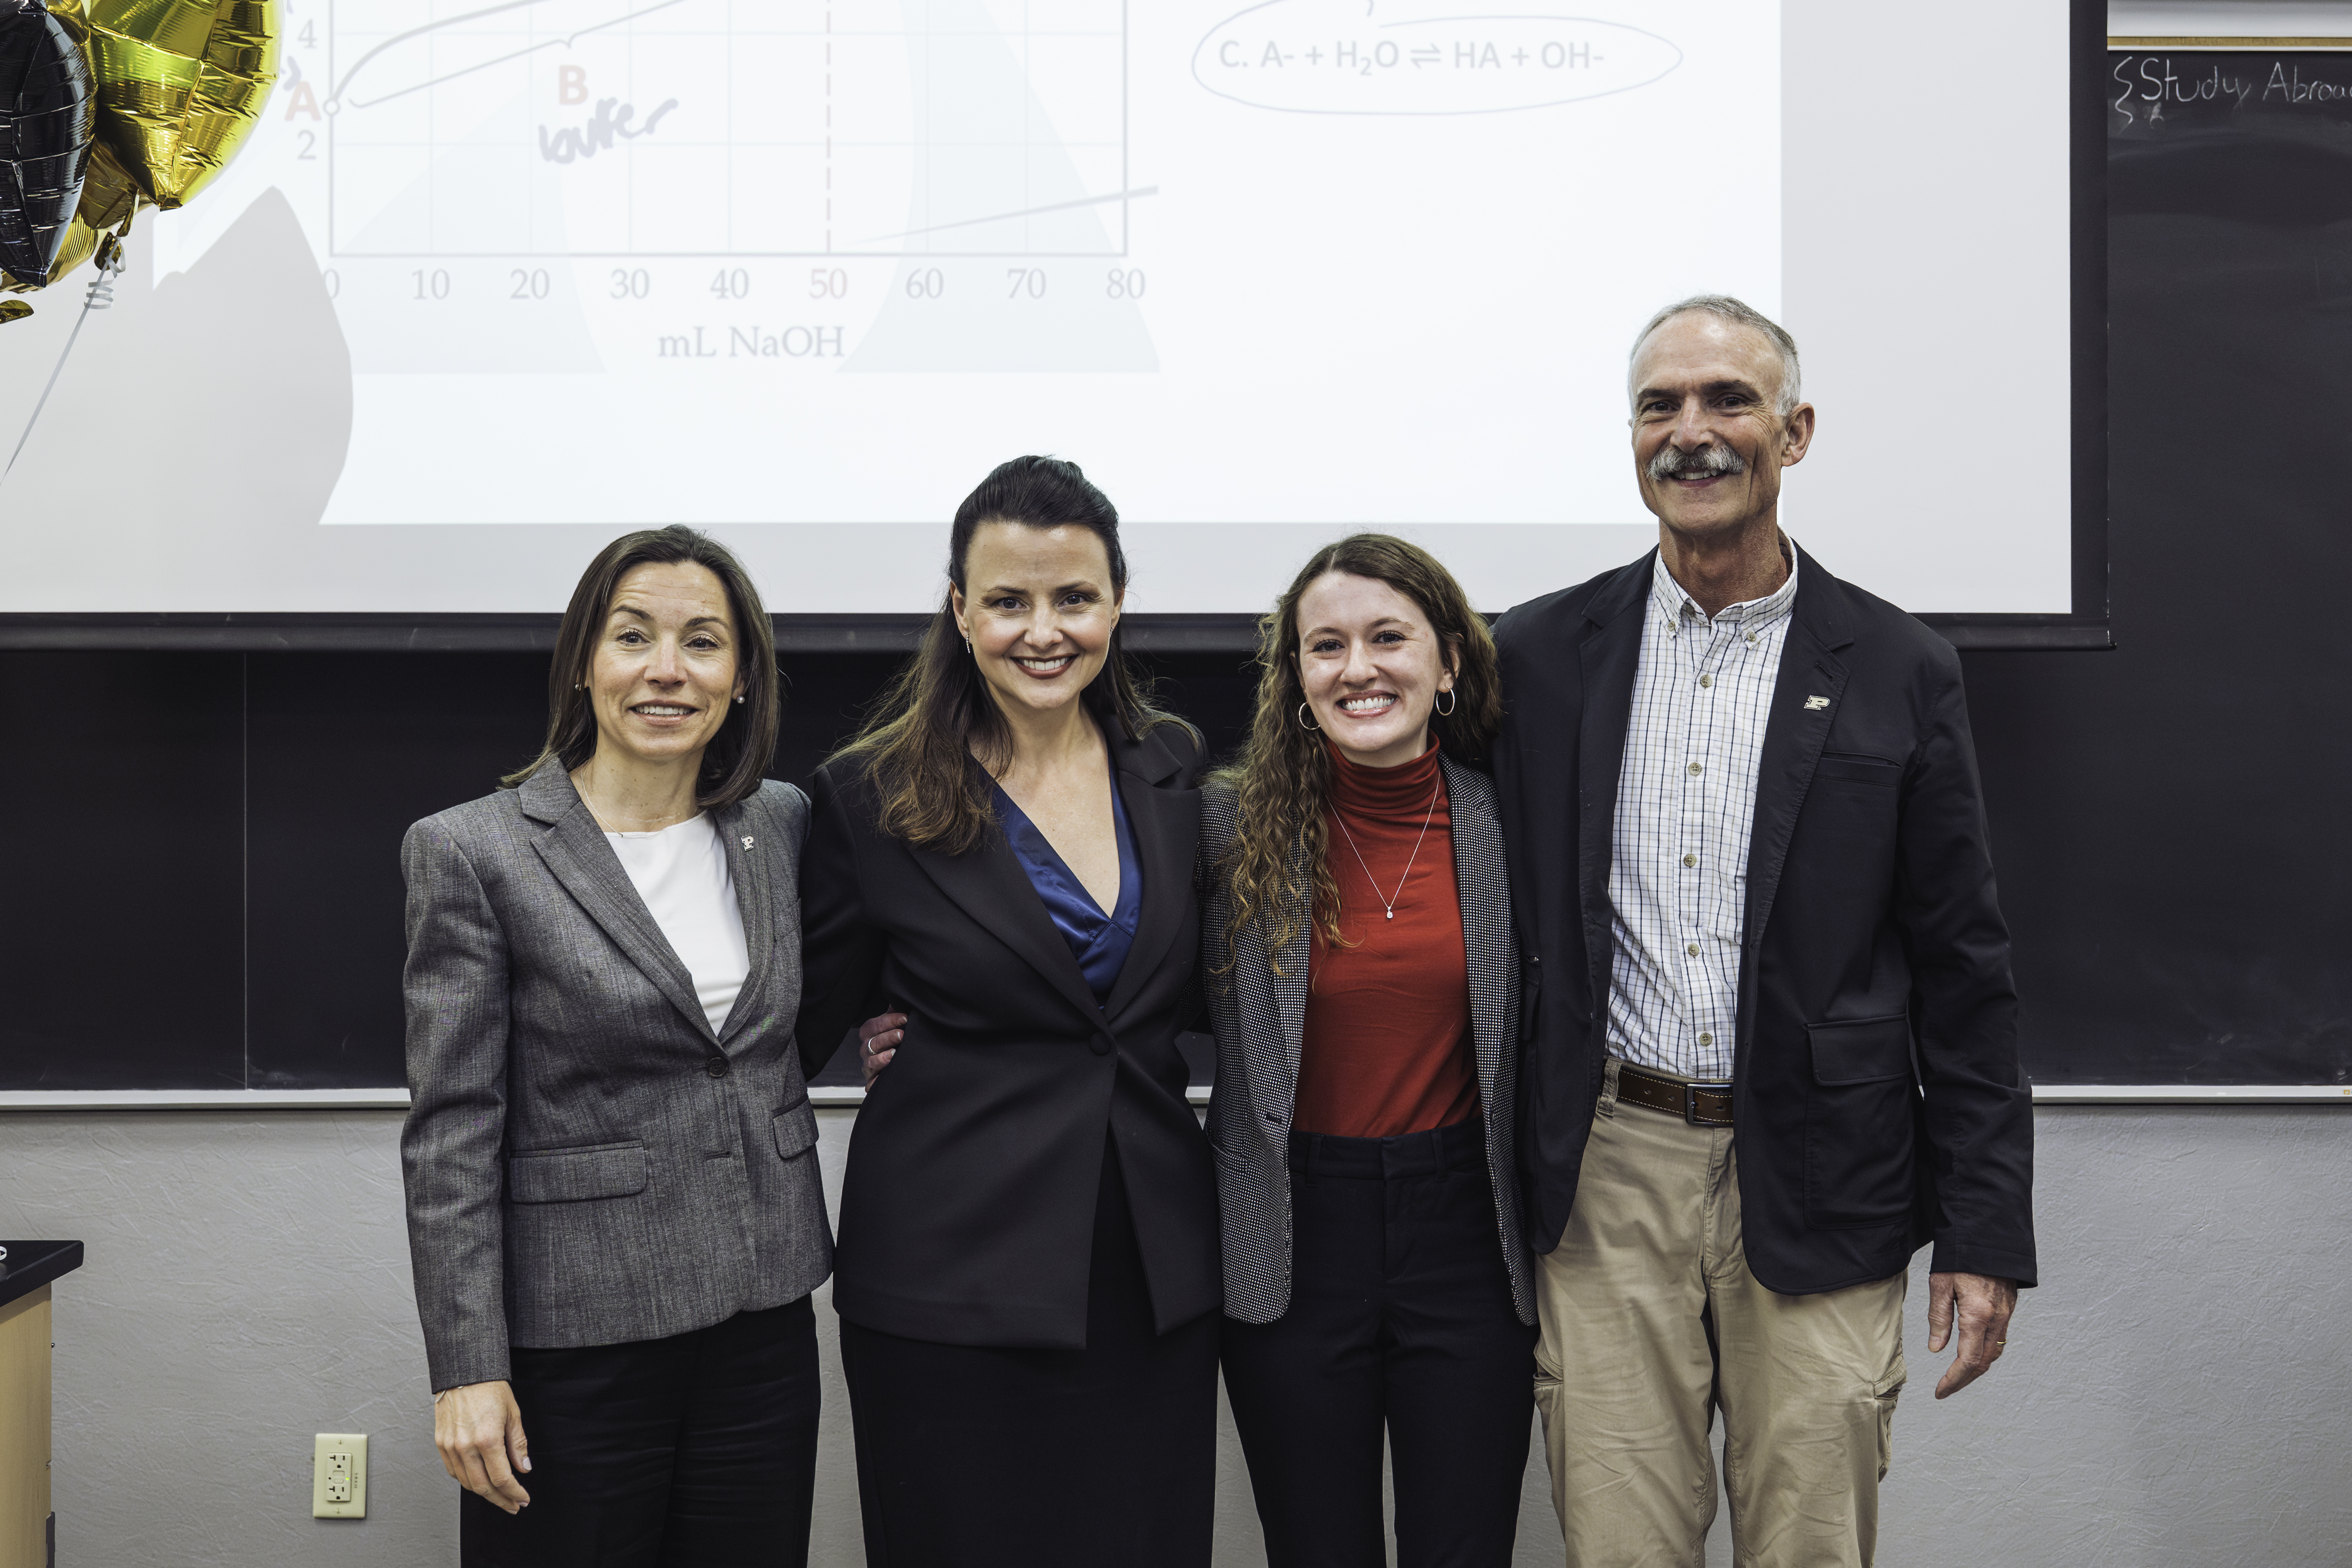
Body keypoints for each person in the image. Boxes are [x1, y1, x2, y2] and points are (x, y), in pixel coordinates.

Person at [1490, 295, 2038, 1567]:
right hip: (1604, 1173)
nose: (1690, 431)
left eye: (1727, 400)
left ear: (1793, 434)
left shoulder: (1898, 666)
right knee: (1621, 1545)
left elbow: (1964, 968)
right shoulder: (1541, 654)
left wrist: (1983, 1227)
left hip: (1826, 1169)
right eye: (1659, 405)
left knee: (1810, 1545)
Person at [797, 456, 1220, 1568]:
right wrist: (887, 1023)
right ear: (959, 611)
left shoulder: (1173, 767)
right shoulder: (868, 794)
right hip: (947, 1282)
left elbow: (1197, 992)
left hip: (1149, 1275)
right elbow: (795, 1027)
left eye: (1073, 598)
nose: (1044, 632)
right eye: (1008, 601)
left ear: (1116, 605)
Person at [400, 526, 832, 1566]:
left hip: (763, 1325)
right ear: (584, 664)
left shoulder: (779, 824)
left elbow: (798, 1014)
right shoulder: (473, 851)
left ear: (741, 678)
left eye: (702, 642)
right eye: (633, 637)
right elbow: (454, 1133)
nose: (666, 670)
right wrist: (466, 1367)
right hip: (576, 1338)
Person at [1201, 534, 1539, 1568]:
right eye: (1327, 646)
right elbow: (1116, 979)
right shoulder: (1226, 828)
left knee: (1464, 1548)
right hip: (1292, 1234)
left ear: (1447, 661)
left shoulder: (1511, 821)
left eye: (1388, 638)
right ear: (1296, 677)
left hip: (1468, 1233)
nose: (1358, 669)